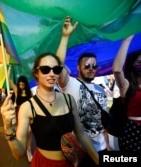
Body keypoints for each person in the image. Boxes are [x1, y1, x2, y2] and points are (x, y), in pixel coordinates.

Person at [1, 53, 99, 167]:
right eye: (45, 69)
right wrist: (8, 128)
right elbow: (18, 154)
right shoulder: (27, 107)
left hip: (71, 162)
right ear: (36, 73)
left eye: (56, 69)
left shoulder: (69, 100)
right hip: (44, 163)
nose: (52, 74)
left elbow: (81, 134)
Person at [56, 17, 110, 166]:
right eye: (87, 65)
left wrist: (108, 146)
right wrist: (65, 37)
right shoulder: (70, 84)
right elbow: (58, 66)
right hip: (80, 151)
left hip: (102, 149)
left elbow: (102, 124)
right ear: (78, 68)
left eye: (94, 66)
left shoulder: (101, 89)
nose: (91, 68)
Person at [112, 35, 141, 151]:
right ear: (132, 65)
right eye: (139, 62)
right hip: (133, 133)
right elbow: (117, 69)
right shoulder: (126, 85)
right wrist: (127, 39)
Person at [8, 65, 33, 162]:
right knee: (20, 133)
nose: (21, 86)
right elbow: (9, 80)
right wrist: (10, 67)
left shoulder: (29, 93)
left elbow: (32, 105)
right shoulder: (16, 90)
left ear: (25, 84)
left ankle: (28, 150)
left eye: (23, 84)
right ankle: (20, 148)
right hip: (18, 114)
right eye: (20, 84)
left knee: (29, 133)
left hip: (28, 115)